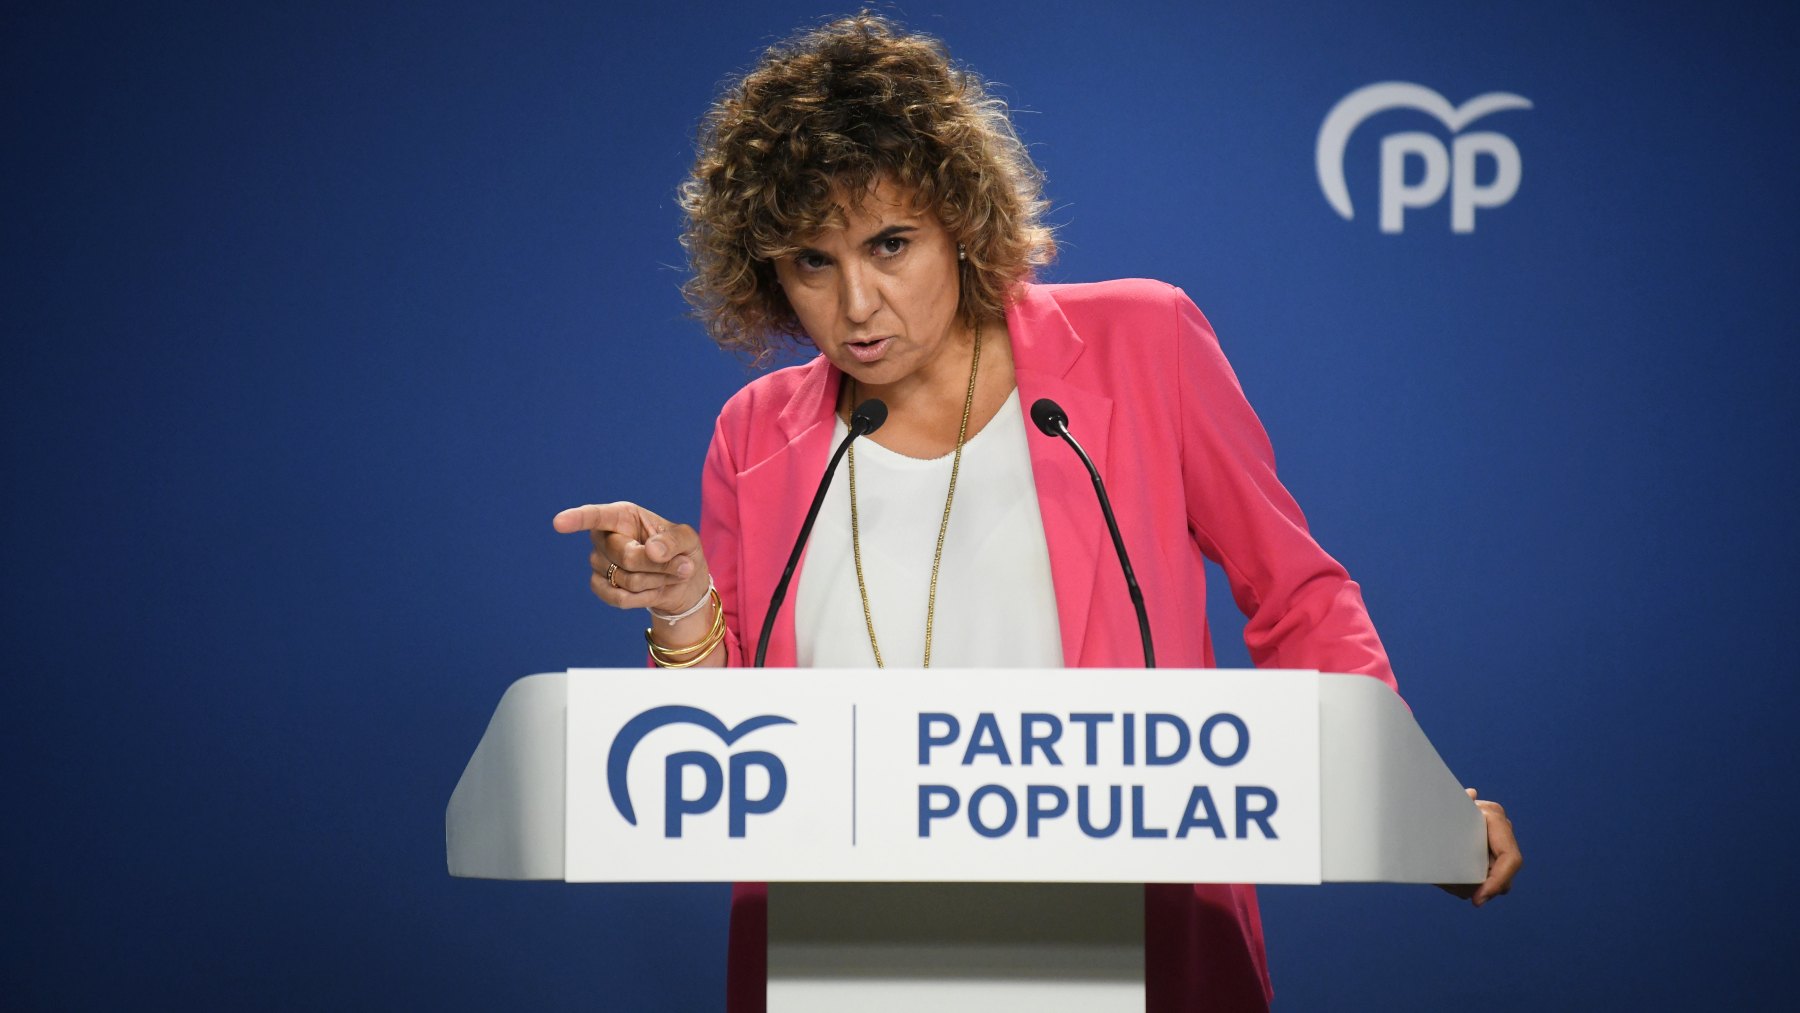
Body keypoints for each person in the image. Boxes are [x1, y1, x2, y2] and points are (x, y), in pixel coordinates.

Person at [552, 13, 1521, 1011]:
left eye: (890, 245)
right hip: (838, 954)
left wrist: (1399, 796)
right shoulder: (757, 434)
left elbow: (1297, 595)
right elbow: (736, 742)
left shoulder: (1144, 344)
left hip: (1127, 944)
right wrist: (683, 602)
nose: (856, 305)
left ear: (962, 222)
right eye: (811, 262)